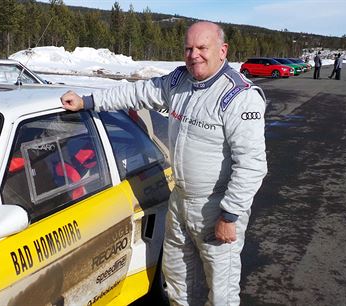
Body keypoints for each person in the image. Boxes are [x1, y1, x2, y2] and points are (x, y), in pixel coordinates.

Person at [61, 21, 267, 305]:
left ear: (223, 50)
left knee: (222, 293)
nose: (194, 55)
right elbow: (134, 93)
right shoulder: (177, 82)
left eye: (202, 48)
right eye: (188, 48)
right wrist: (88, 100)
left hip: (216, 207)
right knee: (179, 283)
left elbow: (252, 165)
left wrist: (229, 216)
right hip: (180, 200)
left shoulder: (239, 97)